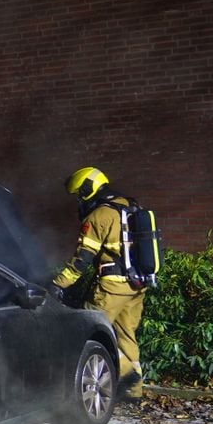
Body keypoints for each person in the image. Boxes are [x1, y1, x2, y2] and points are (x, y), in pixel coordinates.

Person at [51, 166, 146, 401]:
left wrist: (58, 284)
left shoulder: (100, 215)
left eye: (79, 195)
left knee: (88, 332)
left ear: (87, 190)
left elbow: (82, 260)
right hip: (137, 285)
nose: (79, 201)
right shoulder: (132, 207)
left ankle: (102, 385)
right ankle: (134, 393)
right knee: (126, 336)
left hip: (111, 287)